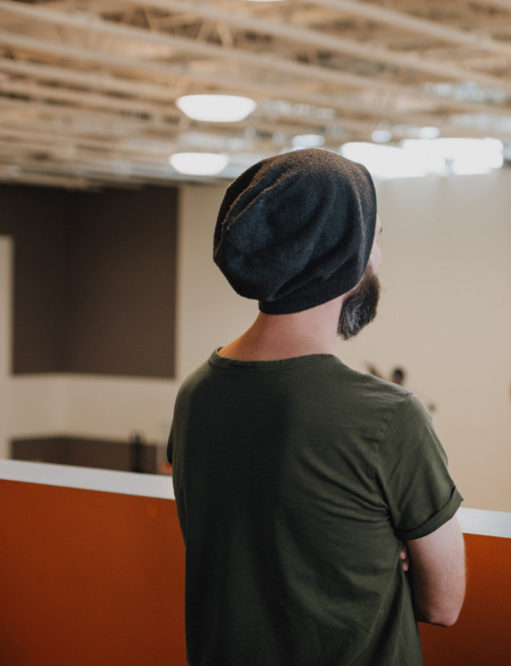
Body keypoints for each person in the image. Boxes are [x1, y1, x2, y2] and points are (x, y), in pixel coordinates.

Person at [167, 149, 465, 665]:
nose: (379, 255)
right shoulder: (388, 417)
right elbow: (443, 604)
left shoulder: (198, 394)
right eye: (375, 239)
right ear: (344, 253)